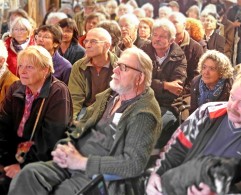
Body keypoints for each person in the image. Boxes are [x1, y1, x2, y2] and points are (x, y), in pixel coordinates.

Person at [8, 47, 162, 195]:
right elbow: (80, 126)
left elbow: (133, 164)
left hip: (96, 174)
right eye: (117, 65)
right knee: (28, 175)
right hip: (72, 159)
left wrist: (82, 162)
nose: (115, 71)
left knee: (62, 191)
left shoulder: (144, 113)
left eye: (123, 68)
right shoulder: (110, 96)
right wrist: (63, 146)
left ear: (139, 78)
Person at [146, 71, 241, 194]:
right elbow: (177, 147)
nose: (233, 106)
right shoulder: (206, 113)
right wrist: (158, 173)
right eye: (232, 97)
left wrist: (216, 191)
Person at [0, 45, 72, 194]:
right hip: (14, 152)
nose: (22, 71)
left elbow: (50, 139)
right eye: (20, 66)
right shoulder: (16, 88)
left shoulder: (58, 92)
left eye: (30, 67)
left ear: (45, 70)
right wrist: (6, 160)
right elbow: (2, 126)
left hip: (41, 159)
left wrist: (22, 165)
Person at [141, 19, 187, 149]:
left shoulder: (179, 56)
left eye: (161, 36)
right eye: (155, 35)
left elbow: (177, 86)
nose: (157, 39)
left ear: (171, 40)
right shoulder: (144, 51)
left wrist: (151, 84)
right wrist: (165, 86)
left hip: (169, 104)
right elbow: (139, 80)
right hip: (144, 100)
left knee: (152, 128)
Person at [68, 27, 118, 120]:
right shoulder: (79, 66)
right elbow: (75, 98)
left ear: (107, 45)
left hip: (110, 112)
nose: (87, 45)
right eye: (86, 41)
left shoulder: (119, 67)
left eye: (93, 42)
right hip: (86, 110)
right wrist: (72, 123)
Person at [168, 12, 203, 93]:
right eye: (169, 23)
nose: (171, 25)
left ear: (184, 25)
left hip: (184, 93)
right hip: (163, 90)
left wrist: (183, 91)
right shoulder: (162, 43)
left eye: (175, 22)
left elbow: (196, 75)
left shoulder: (195, 47)